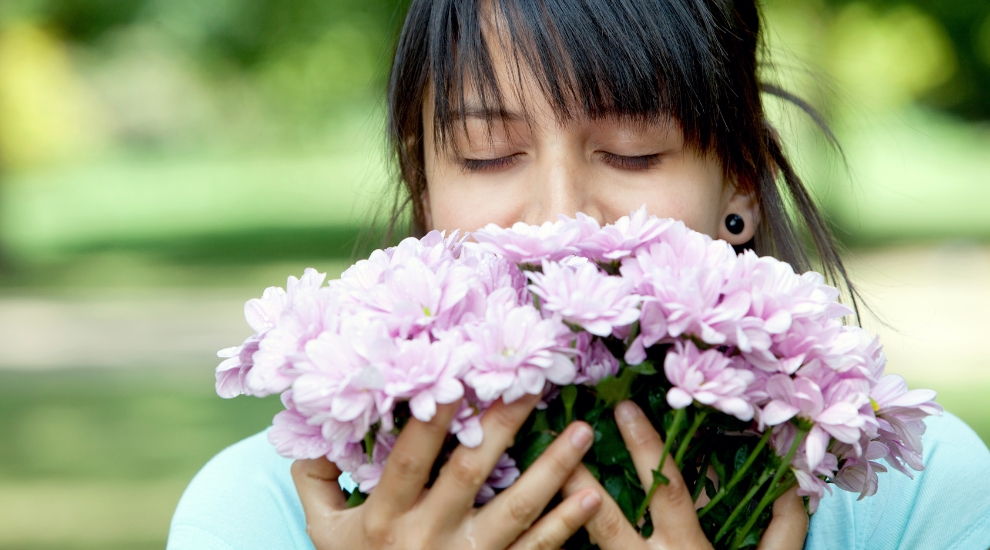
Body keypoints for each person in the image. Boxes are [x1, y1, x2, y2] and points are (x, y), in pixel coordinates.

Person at [167, 0, 990, 548]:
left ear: (739, 180)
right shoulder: (265, 512)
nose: (561, 218)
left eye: (633, 152)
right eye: (489, 156)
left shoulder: (911, 493)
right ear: (424, 188)